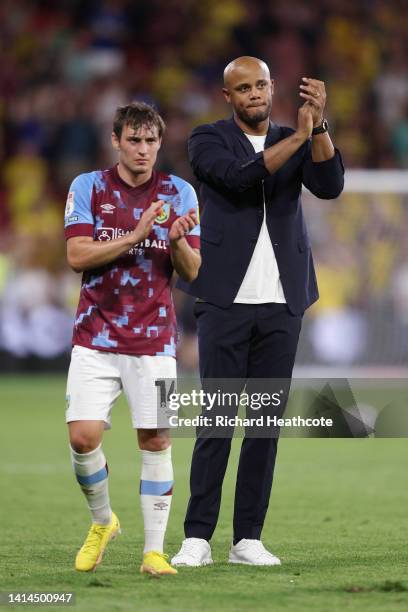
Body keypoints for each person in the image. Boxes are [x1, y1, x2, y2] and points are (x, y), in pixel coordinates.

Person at [172, 56, 344, 567]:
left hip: (282, 301)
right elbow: (239, 178)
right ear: (228, 96)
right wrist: (298, 136)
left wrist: (321, 127)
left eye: (262, 85)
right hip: (224, 299)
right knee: (217, 420)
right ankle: (197, 537)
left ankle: (247, 538)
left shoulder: (300, 134)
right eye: (243, 88)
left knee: (264, 425)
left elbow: (330, 185)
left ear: (273, 88)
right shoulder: (207, 139)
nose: (255, 94)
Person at [64, 102, 201, 576]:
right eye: (134, 139)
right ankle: (103, 522)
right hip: (95, 336)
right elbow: (78, 254)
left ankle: (154, 552)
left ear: (160, 143)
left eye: (150, 141)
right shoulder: (89, 187)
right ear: (116, 140)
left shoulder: (179, 193)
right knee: (83, 439)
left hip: (156, 343)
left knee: (157, 439)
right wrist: (139, 233)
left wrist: (178, 239)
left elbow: (192, 271)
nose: (142, 149)